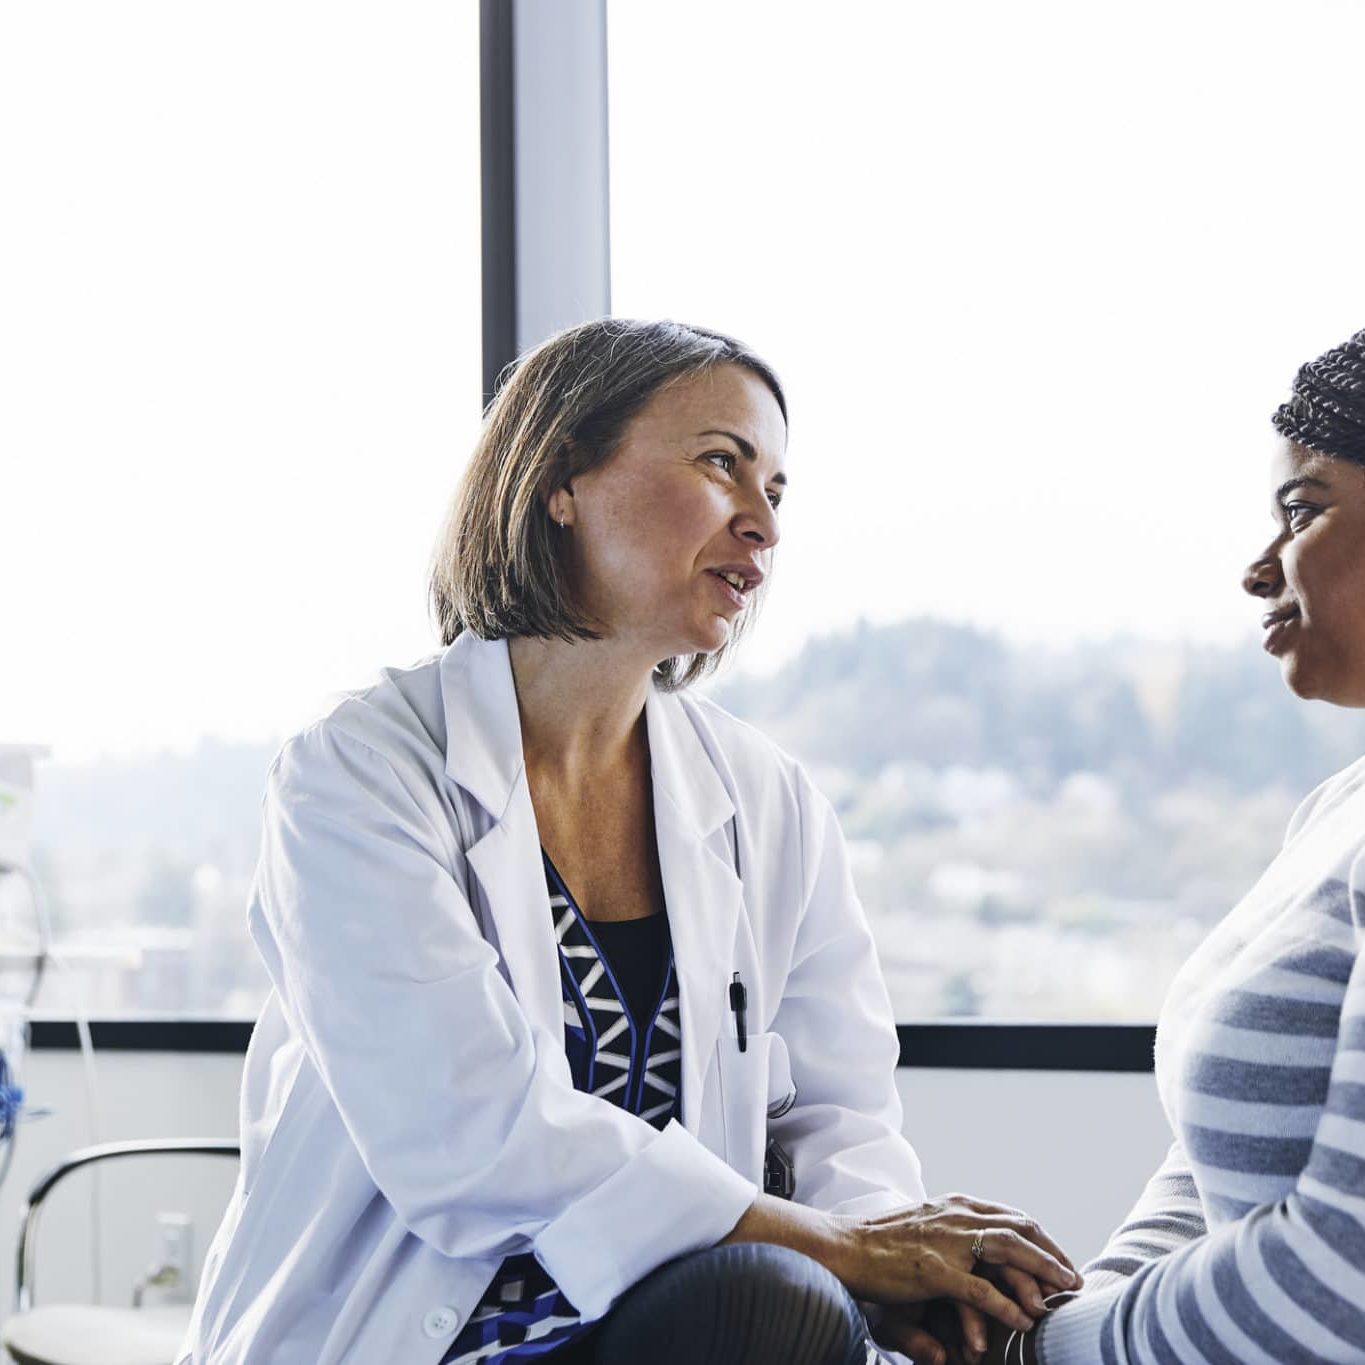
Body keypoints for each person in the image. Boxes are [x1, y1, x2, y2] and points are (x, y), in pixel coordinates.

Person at [178, 318, 1077, 1365]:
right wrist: (843, 1249)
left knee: (903, 1313)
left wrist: (895, 1268)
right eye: (720, 465)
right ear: (561, 479)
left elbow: (844, 1116)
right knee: (777, 1296)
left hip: (661, 1327)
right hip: (410, 1337)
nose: (763, 527)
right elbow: (468, 1136)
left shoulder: (767, 800)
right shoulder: (363, 773)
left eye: (776, 491)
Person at [985, 325, 1365, 1364]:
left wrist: (1044, 1354)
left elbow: (1342, 1287)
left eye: (1302, 510)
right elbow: (1205, 1176)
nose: (1258, 570)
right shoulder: (1339, 808)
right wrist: (1052, 1329)